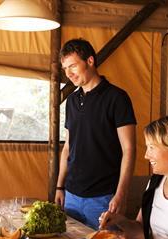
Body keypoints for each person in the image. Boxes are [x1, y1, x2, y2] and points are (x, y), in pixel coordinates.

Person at [55, 38, 137, 229]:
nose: (68, 73)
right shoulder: (72, 101)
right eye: (65, 68)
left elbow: (129, 149)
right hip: (72, 196)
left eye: (73, 66)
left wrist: (121, 194)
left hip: (104, 197)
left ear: (90, 61)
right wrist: (60, 187)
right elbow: (68, 147)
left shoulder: (117, 98)